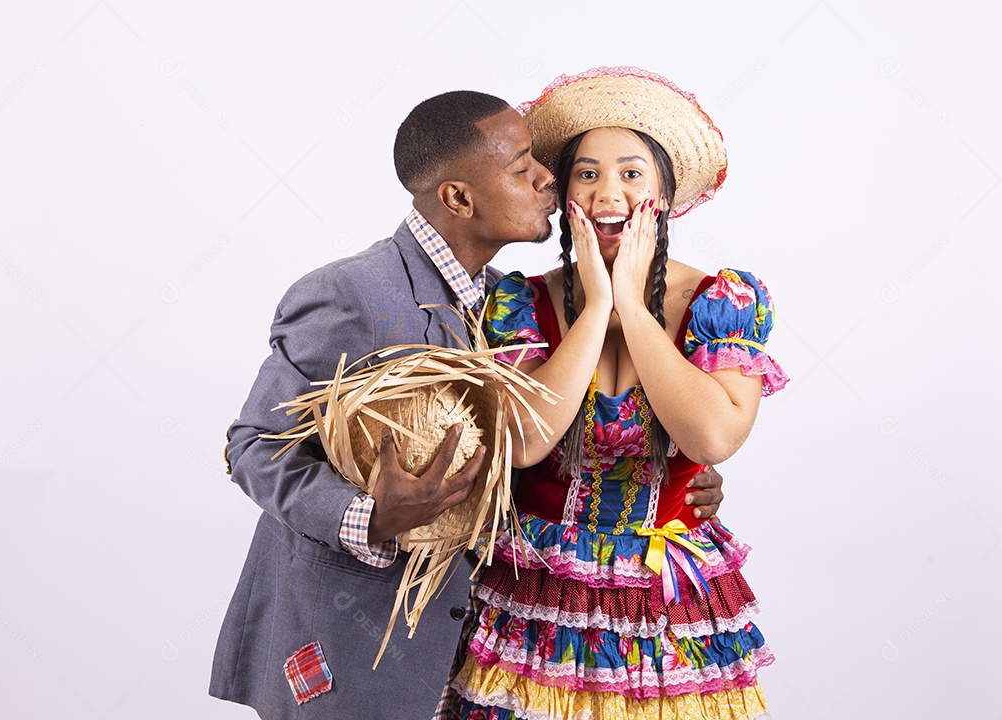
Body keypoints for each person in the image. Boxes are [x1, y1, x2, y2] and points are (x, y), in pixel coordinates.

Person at [209, 89, 726, 720]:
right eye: (523, 166)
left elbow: (522, 435)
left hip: (483, 639)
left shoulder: (509, 303)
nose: (548, 178)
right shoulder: (350, 294)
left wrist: (662, 474)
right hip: (355, 643)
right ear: (458, 197)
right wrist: (368, 517)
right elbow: (254, 445)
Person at [450, 68, 789, 719]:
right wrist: (595, 304)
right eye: (587, 173)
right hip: (536, 598)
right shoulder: (518, 302)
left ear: (663, 194)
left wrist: (632, 308)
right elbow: (524, 441)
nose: (609, 191)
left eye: (632, 173)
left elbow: (713, 437)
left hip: (667, 603)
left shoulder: (723, 301)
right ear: (567, 194)